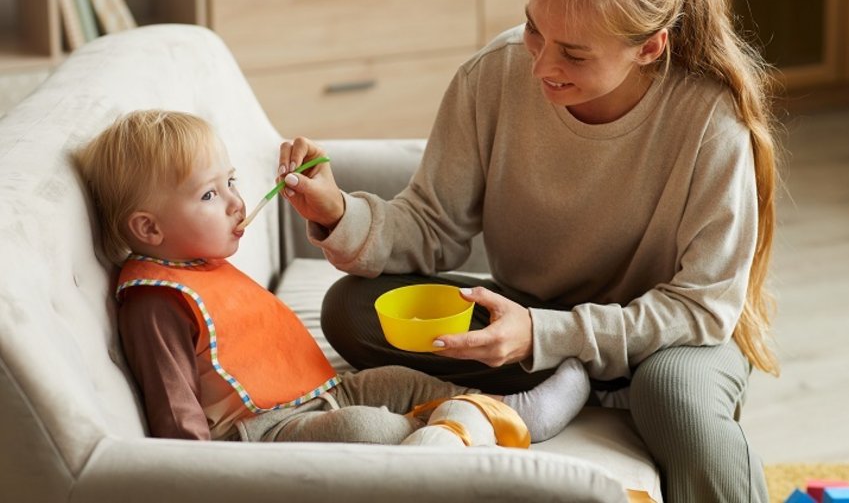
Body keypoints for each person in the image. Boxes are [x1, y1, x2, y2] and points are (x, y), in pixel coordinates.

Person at [276, 0, 779, 501]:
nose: (539, 64)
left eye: (575, 53)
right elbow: (432, 223)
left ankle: (568, 376)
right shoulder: (494, 75)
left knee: (672, 397)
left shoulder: (710, 121)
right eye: (533, 28)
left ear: (649, 48)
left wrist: (550, 334)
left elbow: (702, 309)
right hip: (533, 318)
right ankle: (567, 379)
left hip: (663, 340)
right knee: (353, 308)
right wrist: (338, 213)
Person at [73, 109, 589, 449]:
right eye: (210, 195)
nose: (236, 201)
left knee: (398, 381)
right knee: (365, 427)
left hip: (324, 393)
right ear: (148, 228)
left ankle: (501, 410)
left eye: (231, 182)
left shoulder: (203, 267)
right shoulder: (156, 301)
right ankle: (461, 432)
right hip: (265, 432)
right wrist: (209, 476)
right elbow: (175, 415)